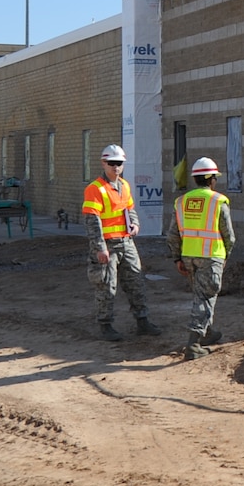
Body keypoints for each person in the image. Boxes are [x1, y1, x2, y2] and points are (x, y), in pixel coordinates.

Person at [82, 143, 159, 341]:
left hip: (126, 242)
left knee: (136, 281)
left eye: (119, 163)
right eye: (112, 163)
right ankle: (105, 324)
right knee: (107, 285)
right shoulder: (95, 189)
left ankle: (142, 321)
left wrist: (135, 224)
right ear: (104, 163)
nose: (116, 167)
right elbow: (92, 221)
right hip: (108, 245)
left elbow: (129, 209)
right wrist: (100, 248)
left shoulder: (124, 185)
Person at [166, 156, 235, 359]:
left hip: (189, 256)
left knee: (200, 295)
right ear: (211, 179)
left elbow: (172, 234)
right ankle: (193, 344)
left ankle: (207, 333)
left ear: (195, 179)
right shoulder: (218, 201)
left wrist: (177, 258)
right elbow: (228, 235)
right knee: (205, 297)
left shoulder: (181, 202)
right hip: (211, 256)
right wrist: (226, 255)